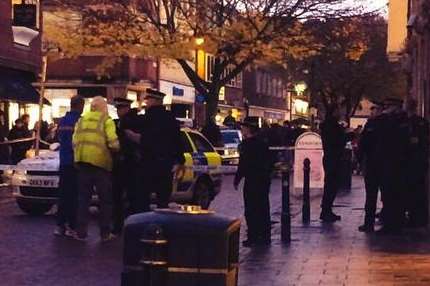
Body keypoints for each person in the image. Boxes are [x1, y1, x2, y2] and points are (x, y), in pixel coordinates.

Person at [125, 88, 185, 212]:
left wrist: (132, 115)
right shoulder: (170, 119)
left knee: (142, 200)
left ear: (156, 101)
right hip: (165, 165)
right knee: (163, 202)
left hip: (147, 163)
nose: (146, 102)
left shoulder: (147, 118)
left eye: (149, 99)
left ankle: (145, 228)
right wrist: (179, 160)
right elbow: (178, 141)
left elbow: (136, 132)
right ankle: (163, 228)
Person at [73, 96, 120, 242]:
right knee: (105, 200)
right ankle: (105, 234)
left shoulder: (81, 120)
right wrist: (118, 149)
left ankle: (81, 233)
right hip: (100, 164)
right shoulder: (107, 121)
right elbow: (113, 143)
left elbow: (74, 141)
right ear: (103, 107)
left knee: (83, 200)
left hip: (82, 163)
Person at [234, 117, 273, 247]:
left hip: (252, 181)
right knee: (263, 207)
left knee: (251, 209)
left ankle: (253, 236)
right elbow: (270, 161)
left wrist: (237, 179)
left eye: (243, 127)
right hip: (263, 180)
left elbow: (243, 164)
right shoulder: (263, 143)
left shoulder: (246, 145)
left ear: (248, 129)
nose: (242, 130)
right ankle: (265, 236)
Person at [377, 97, 409, 234]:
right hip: (389, 164)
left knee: (393, 195)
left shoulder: (400, 121)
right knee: (389, 194)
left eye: (389, 106)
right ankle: (393, 221)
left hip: (396, 164)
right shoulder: (391, 120)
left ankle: (393, 224)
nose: (386, 108)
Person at [54, 95, 85, 237]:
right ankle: (72, 226)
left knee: (63, 195)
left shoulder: (62, 121)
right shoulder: (80, 121)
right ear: (80, 105)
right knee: (75, 196)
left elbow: (59, 139)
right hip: (76, 162)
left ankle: (60, 225)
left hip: (64, 162)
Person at [112, 97, 142, 234]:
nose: (118, 111)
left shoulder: (132, 122)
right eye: (117, 109)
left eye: (120, 108)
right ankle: (126, 226)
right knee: (128, 197)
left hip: (129, 164)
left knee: (125, 197)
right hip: (126, 164)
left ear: (126, 108)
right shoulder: (120, 122)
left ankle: (122, 226)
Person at [357, 102, 383, 232]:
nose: (372, 113)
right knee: (386, 194)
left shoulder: (371, 125)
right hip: (385, 164)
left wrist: (359, 160)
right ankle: (388, 220)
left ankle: (369, 223)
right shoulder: (388, 124)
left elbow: (363, 144)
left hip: (373, 164)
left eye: (374, 111)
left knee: (371, 195)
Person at [320, 105, 347, 222]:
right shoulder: (332, 126)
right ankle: (326, 211)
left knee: (331, 185)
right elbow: (337, 140)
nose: (340, 112)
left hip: (330, 157)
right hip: (333, 158)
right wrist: (348, 135)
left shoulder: (329, 125)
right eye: (337, 110)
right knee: (331, 185)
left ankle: (326, 210)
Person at [404, 98, 429, 227]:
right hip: (418, 161)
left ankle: (415, 217)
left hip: (412, 161)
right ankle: (417, 216)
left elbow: (416, 141)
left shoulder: (411, 122)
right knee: (417, 190)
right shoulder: (421, 122)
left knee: (414, 190)